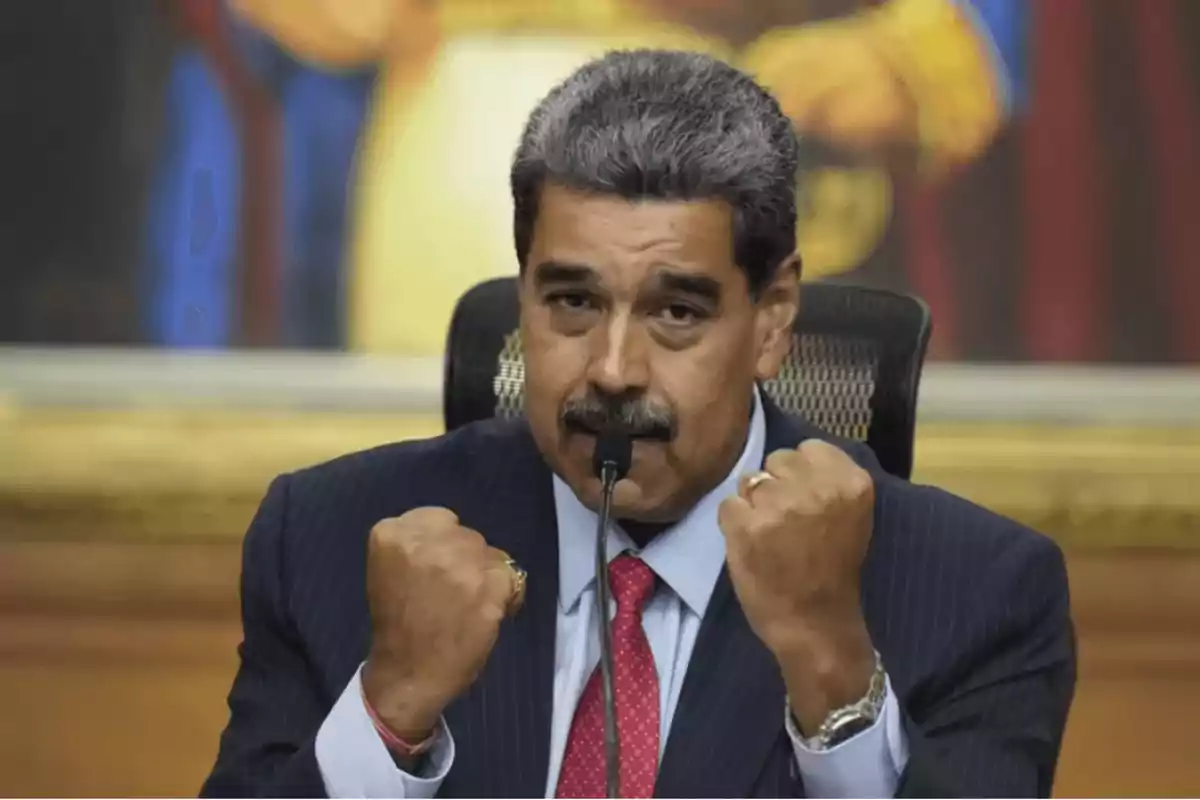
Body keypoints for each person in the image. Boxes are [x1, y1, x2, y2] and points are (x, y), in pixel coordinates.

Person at [201, 49, 1075, 798]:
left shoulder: (976, 594)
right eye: (572, 302)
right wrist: (386, 714)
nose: (613, 370)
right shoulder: (326, 542)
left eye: (677, 313)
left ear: (771, 319)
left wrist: (833, 669)